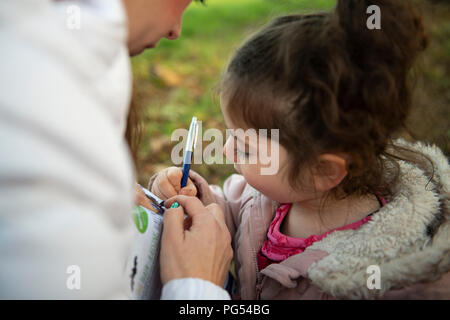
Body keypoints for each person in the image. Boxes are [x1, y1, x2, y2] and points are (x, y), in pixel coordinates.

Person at [149, 0, 450, 299]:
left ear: (323, 170)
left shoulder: (371, 279)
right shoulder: (265, 193)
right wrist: (200, 201)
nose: (226, 150)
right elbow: (233, 214)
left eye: (245, 148)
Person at [0, 0, 232, 299]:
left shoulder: (55, 51)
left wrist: (148, 199)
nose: (176, 30)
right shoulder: (38, 105)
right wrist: (198, 285)